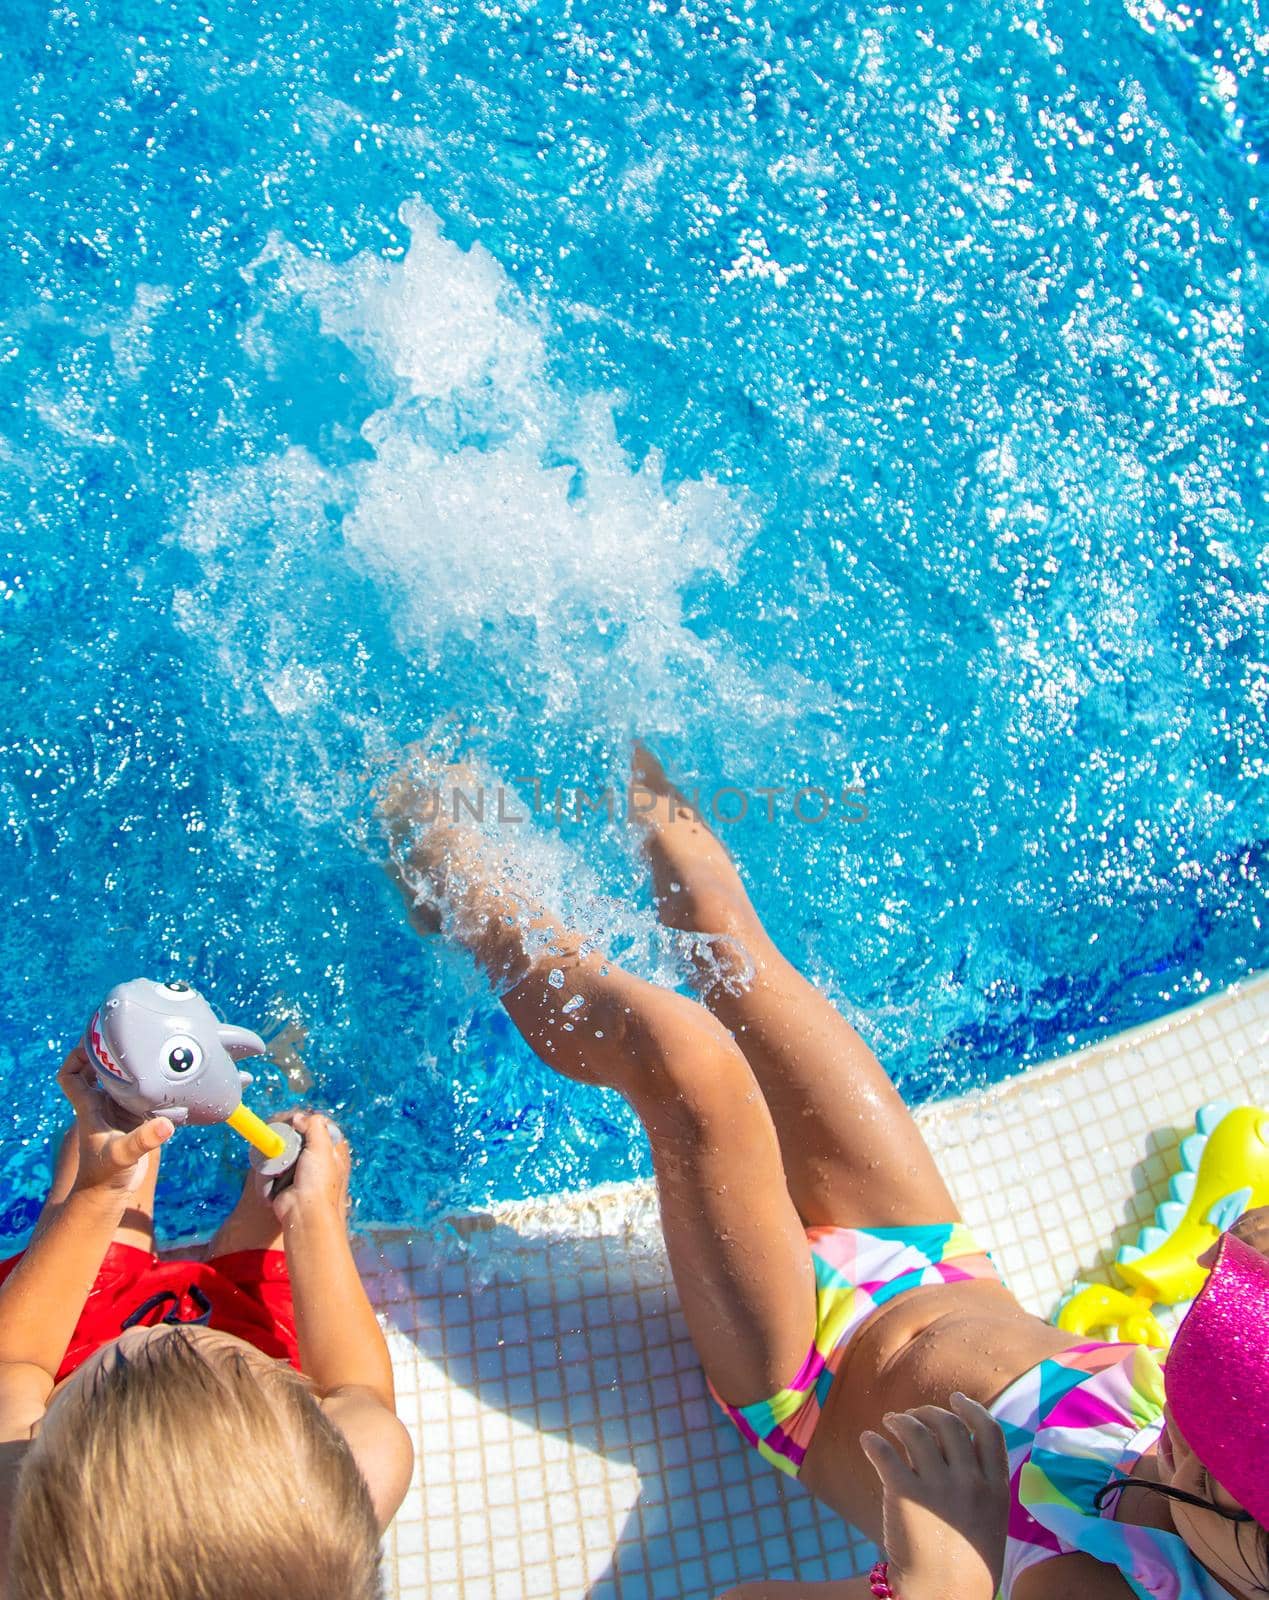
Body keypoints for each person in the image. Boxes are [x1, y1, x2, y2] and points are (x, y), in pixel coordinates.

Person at [384, 741, 1269, 1600]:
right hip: (934, 1256)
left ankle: (456, 873)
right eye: (1189, 1395)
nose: (1167, 1437)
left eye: (1195, 1450)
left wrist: (934, 1574)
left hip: (808, 1370)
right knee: (725, 940)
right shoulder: (1224, 1470)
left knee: (682, 1060)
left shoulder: (1095, 1590)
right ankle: (615, 725)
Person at [0, 1052, 414, 1600]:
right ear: (323, 1434)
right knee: (302, 1151)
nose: (171, 1332)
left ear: (37, 1440)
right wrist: (314, 1212)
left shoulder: (18, 1509)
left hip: (68, 1356)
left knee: (104, 1145)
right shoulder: (341, 1500)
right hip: (258, 1355)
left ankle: (116, 1135)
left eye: (129, 1356)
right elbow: (354, 1385)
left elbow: (19, 1358)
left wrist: (97, 1191)